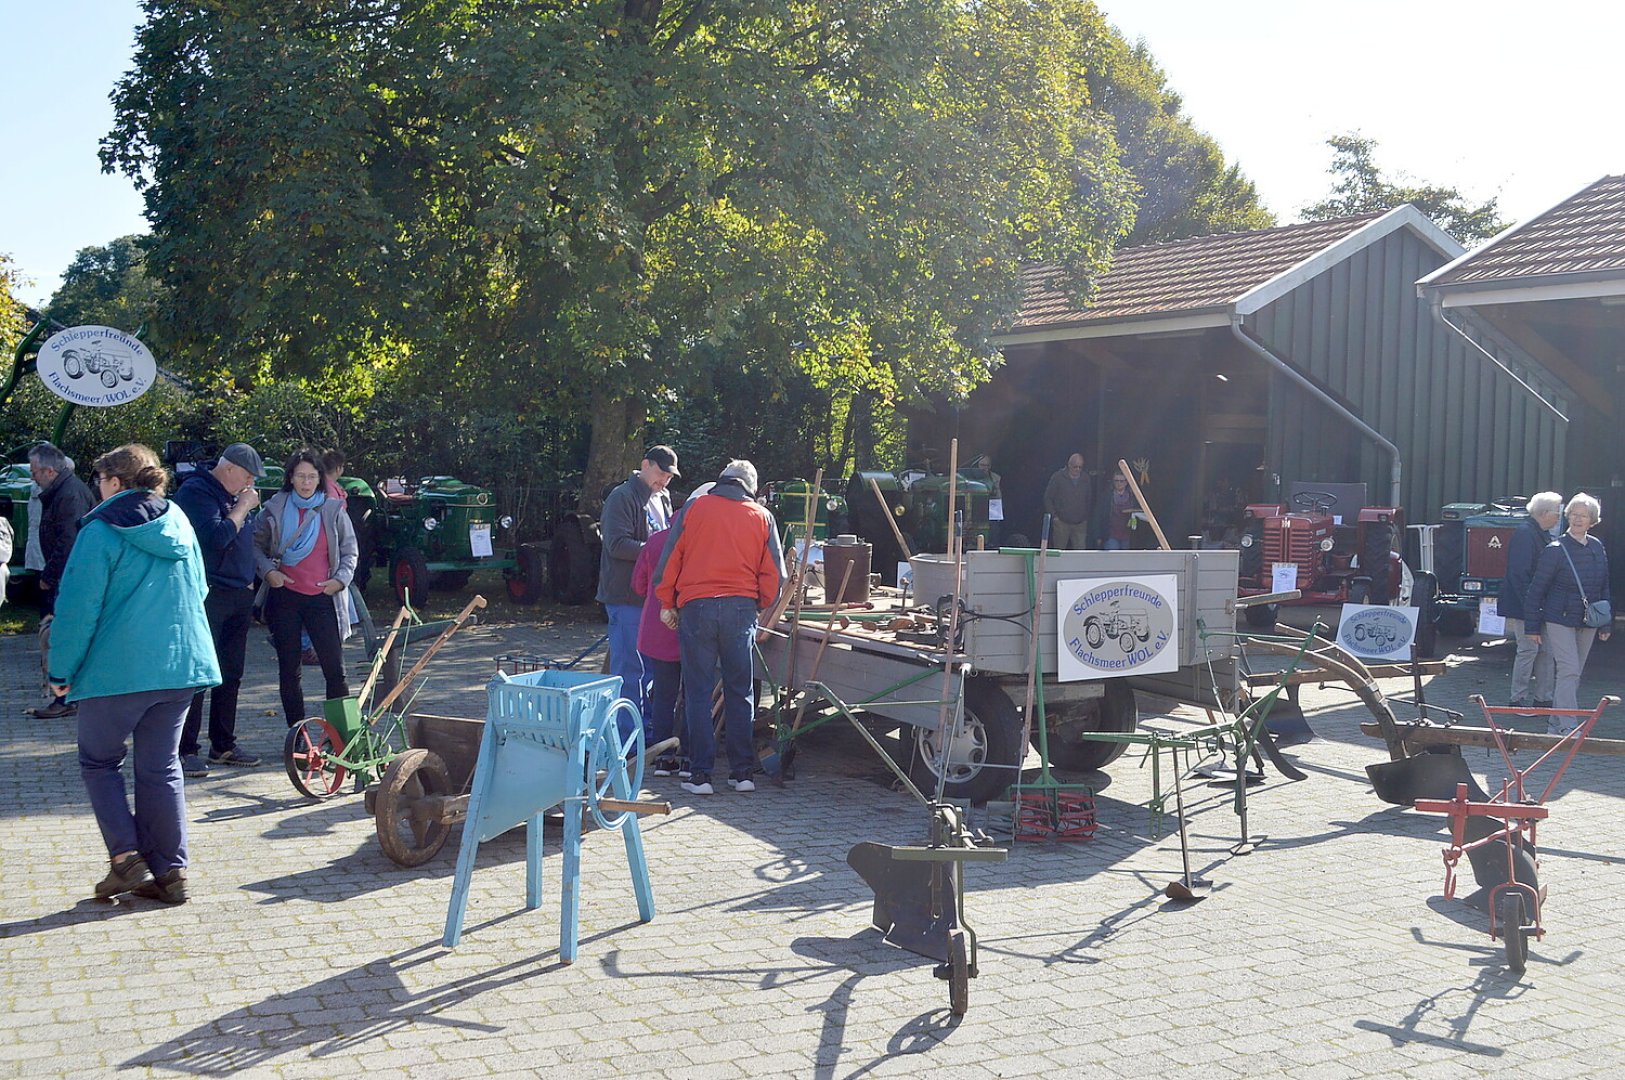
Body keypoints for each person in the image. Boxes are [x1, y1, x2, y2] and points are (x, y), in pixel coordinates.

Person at [48, 443, 220, 904]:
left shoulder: (101, 532)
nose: (96, 489)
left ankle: (126, 860)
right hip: (181, 665)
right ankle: (171, 872)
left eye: (100, 480)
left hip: (118, 671)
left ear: (116, 482)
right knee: (161, 768)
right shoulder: (179, 522)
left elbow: (77, 609)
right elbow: (199, 588)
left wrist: (60, 671)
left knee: (98, 762)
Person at [655, 460, 785, 795]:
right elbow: (776, 575)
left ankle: (700, 776)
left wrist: (667, 601)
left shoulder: (695, 508)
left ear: (722, 480)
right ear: (750, 488)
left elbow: (671, 559)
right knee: (740, 692)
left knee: (697, 692)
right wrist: (756, 604)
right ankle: (742, 774)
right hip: (740, 609)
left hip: (696, 607)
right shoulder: (761, 516)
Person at [171, 443, 266, 776]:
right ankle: (185, 749)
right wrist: (241, 508)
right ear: (229, 469)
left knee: (231, 672)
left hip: (239, 593)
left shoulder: (233, 494)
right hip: (208, 594)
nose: (250, 483)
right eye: (248, 475)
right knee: (199, 675)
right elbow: (216, 538)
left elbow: (244, 539)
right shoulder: (196, 492)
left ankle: (223, 744)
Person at [253, 449, 359, 729]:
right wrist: (269, 572)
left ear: (320, 479)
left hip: (323, 599)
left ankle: (342, 737)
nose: (306, 482)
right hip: (284, 598)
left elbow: (350, 551)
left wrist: (340, 580)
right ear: (290, 477)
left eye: (312, 476)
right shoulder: (274, 507)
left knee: (335, 671)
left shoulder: (332, 509)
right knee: (289, 672)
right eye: (300, 475)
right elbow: (255, 546)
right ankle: (298, 738)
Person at [633, 483, 714, 777]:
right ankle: (690, 757)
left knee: (664, 696)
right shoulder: (704, 545)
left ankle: (663, 758)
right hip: (695, 631)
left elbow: (639, 585)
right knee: (695, 696)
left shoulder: (655, 542)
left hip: (658, 631)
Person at [596, 445, 679, 719]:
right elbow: (616, 545)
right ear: (645, 464)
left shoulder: (663, 497)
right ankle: (625, 737)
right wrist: (657, 550)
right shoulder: (622, 497)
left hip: (650, 599)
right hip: (624, 597)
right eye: (661, 474)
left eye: (669, 477)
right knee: (629, 671)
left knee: (650, 670)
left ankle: (647, 732)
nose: (664, 481)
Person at [1524, 492, 1611, 733]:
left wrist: (1605, 623)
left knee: (1574, 673)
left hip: (1588, 619)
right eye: (1574, 514)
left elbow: (1603, 584)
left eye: (1583, 515)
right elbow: (1536, 589)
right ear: (1568, 516)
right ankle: (1567, 725)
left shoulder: (1596, 547)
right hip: (1559, 617)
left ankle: (1555, 722)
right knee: (1569, 669)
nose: (1578, 519)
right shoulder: (1555, 549)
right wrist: (1531, 627)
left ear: (1592, 519)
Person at [30, 444, 96, 719]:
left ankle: (66, 699)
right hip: (69, 577)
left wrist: (49, 576)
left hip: (71, 579)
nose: (33, 477)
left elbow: (68, 541)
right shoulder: (65, 491)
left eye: (34, 472)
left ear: (49, 470)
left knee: (65, 641)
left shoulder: (69, 494)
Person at [1500, 491, 1562, 711]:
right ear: (1544, 513)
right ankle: (1518, 699)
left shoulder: (1537, 533)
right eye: (1557, 512)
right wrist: (1531, 606)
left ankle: (1543, 698)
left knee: (1546, 652)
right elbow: (1519, 574)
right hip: (1526, 607)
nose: (1558, 517)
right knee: (1528, 651)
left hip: (1537, 605)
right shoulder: (1527, 534)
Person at [1043, 453, 1093, 550]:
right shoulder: (1057, 477)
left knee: (1080, 553)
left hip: (1080, 524)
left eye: (1080, 467)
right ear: (1069, 465)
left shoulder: (1085, 478)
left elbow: (1089, 498)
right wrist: (1054, 516)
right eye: (1075, 467)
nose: (1078, 469)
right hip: (1061, 523)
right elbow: (1047, 498)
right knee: (1059, 552)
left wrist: (1086, 516)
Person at [1098, 468, 1134, 550]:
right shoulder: (1106, 496)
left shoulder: (1132, 497)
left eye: (1122, 481)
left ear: (1126, 482)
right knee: (1112, 560)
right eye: (1116, 481)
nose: (1119, 483)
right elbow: (1100, 516)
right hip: (1111, 535)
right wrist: (1099, 535)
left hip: (1127, 536)